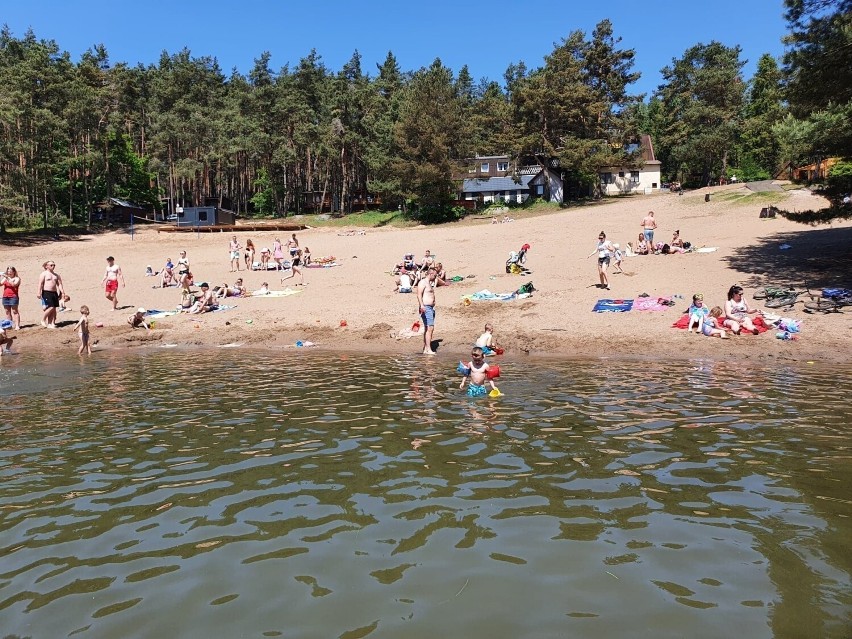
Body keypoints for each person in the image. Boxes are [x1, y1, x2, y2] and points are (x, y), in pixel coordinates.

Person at [416, 267, 438, 355]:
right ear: (431, 274)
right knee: (430, 328)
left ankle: (426, 348)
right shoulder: (423, 282)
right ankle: (428, 349)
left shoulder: (429, 283)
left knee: (427, 328)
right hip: (426, 307)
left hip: (430, 308)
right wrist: (421, 305)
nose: (436, 277)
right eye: (435, 275)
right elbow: (418, 294)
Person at [38, 260, 64, 328]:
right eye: (51, 265)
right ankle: (43, 319)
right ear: (47, 266)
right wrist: (38, 292)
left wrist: (62, 292)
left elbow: (60, 284)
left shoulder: (56, 275)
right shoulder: (44, 274)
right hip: (46, 292)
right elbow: (40, 284)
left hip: (54, 292)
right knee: (51, 307)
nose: (53, 266)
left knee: (54, 307)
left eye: (54, 265)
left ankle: (50, 323)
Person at [1, 266, 21, 330]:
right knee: (7, 312)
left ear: (14, 272)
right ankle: (9, 325)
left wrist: (7, 277)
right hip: (5, 296)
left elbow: (14, 284)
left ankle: (17, 325)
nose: (9, 272)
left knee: (15, 311)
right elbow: (0, 284)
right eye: (8, 271)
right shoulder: (5, 279)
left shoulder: (17, 278)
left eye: (10, 271)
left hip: (13, 296)